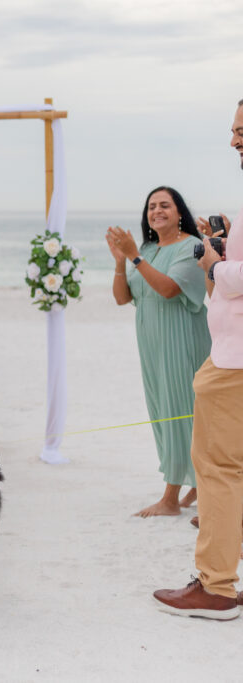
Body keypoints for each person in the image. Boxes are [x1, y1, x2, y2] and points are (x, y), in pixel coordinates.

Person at [153, 100, 243, 620]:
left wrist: (216, 262)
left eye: (239, 131)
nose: (233, 141)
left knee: (217, 470)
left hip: (232, 361)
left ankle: (216, 587)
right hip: (230, 354)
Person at [106, 186, 210, 518]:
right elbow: (122, 297)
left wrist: (134, 255)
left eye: (165, 205)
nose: (157, 211)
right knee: (163, 413)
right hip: (151, 342)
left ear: (180, 213)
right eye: (152, 206)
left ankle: (172, 498)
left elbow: (167, 289)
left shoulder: (192, 247)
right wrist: (122, 262)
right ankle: (191, 486)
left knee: (186, 413)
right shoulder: (147, 249)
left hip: (183, 340)